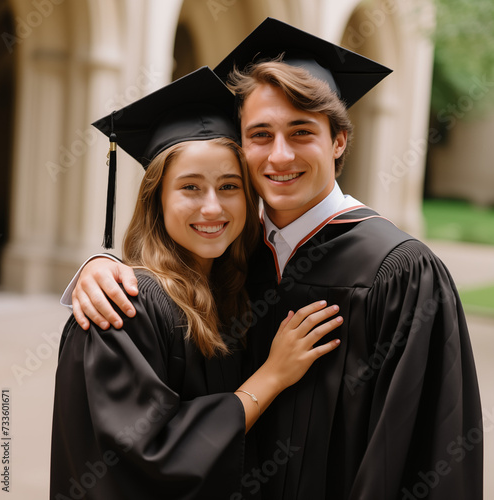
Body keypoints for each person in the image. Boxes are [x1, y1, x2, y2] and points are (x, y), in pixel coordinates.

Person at [63, 19, 483, 500]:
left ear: (339, 140)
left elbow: (423, 458)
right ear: (243, 146)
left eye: (301, 131)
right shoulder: (232, 264)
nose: (279, 155)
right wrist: (99, 265)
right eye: (260, 134)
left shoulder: (401, 274)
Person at [50, 66, 344, 500]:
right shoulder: (124, 308)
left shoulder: (238, 292)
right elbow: (144, 459)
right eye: (190, 187)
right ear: (157, 200)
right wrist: (271, 377)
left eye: (229, 186)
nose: (212, 207)